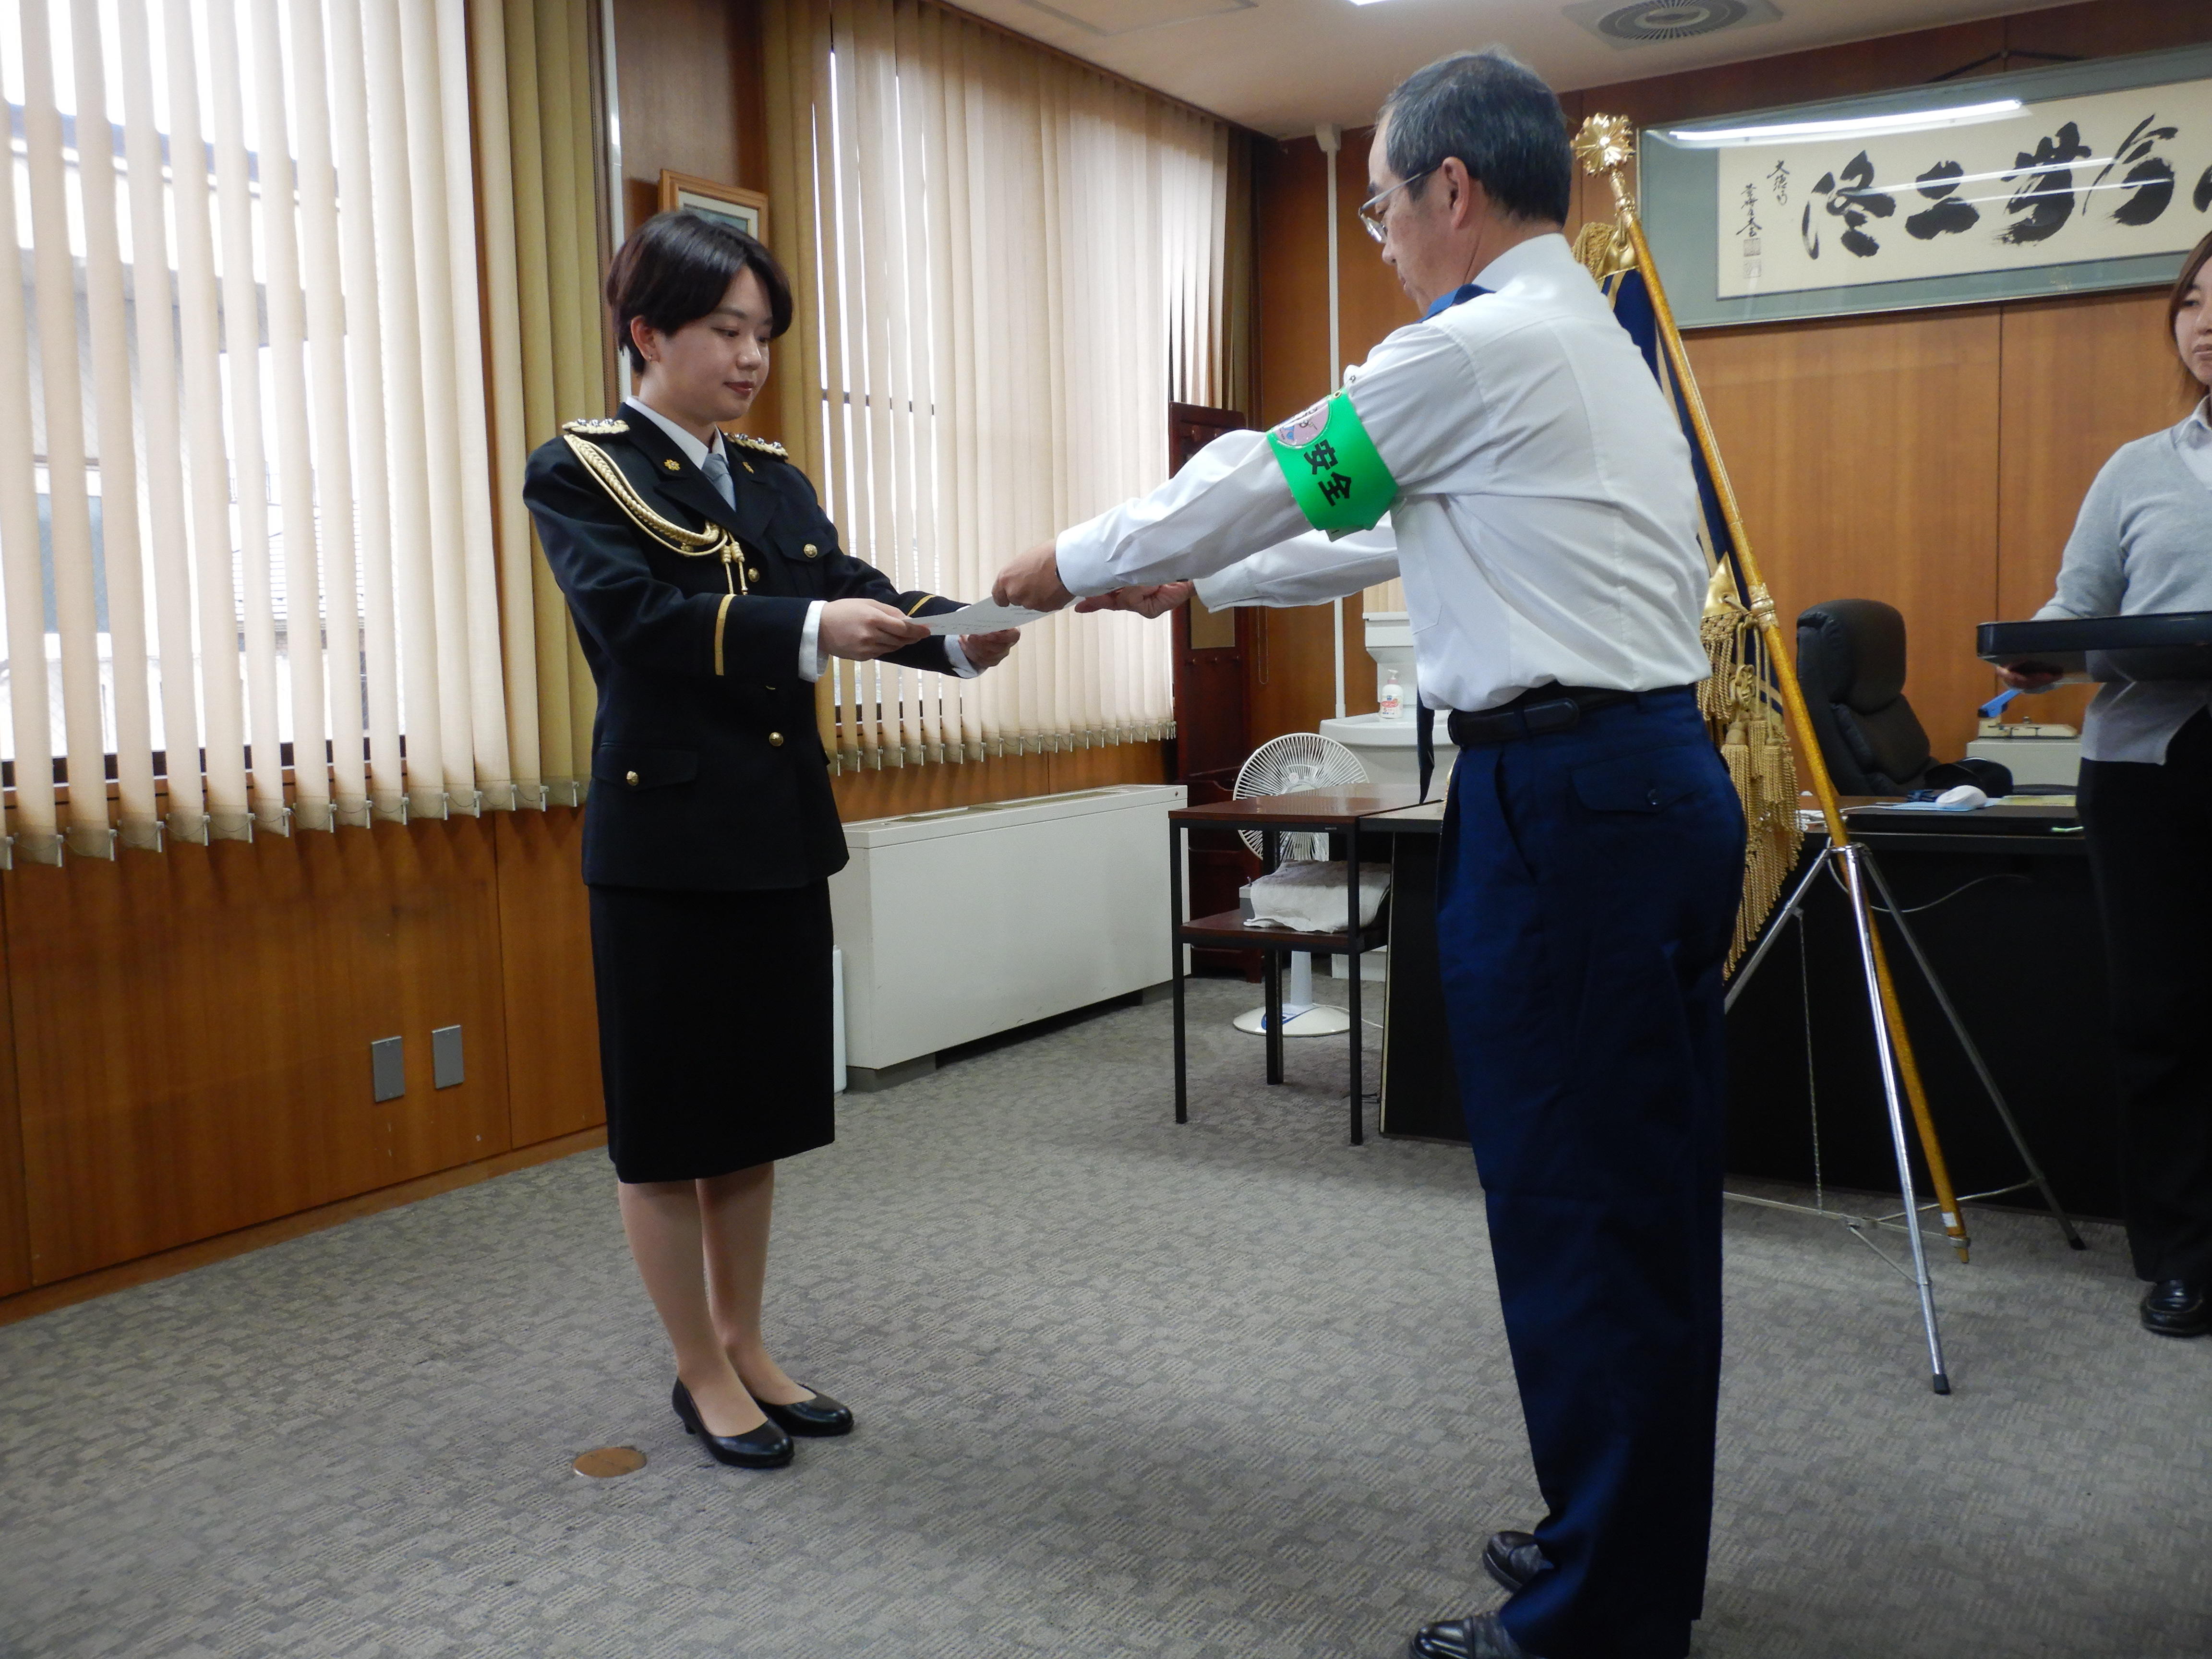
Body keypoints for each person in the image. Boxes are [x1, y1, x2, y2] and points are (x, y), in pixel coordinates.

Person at [996, 50, 1741, 1659]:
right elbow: (1358, 524)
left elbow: (1277, 472)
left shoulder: (1467, 348)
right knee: (1640, 1201)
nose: (1379, 235)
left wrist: (1051, 569)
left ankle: (1596, 1618)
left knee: (1574, 1208)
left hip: (1568, 810)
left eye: (1380, 204)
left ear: (1449, 192)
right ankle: (1619, 1541)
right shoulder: (1583, 347)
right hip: (1644, 787)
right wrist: (1187, 587)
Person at [524, 212, 1017, 1470]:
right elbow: (638, 621)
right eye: (726, 331)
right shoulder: (582, 469)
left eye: (763, 334)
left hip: (777, 831)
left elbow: (852, 577)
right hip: (666, 844)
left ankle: (746, 1343)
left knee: (752, 1114)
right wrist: (809, 632)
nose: (751, 357)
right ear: (650, 335)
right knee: (671, 1120)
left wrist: (960, 631)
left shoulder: (773, 475)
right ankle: (697, 1372)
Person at [1999, 228, 2212, 1341]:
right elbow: (2076, 603)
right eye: (2193, 299)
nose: (2206, 318)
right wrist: (2033, 645)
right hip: (2147, 770)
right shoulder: (2137, 467)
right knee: (2162, 1017)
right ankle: (2182, 1255)